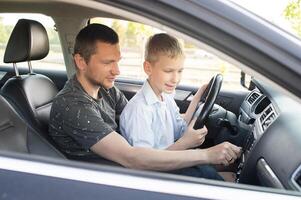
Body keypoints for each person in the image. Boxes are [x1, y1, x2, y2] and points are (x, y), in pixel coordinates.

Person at [49, 23, 241, 173]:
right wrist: (206, 155)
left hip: (129, 169)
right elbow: (132, 158)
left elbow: (146, 120)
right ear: (81, 62)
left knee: (231, 170)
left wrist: (197, 100)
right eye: (108, 63)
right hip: (115, 180)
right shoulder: (73, 105)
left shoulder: (107, 90)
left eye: (118, 61)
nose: (117, 71)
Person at [119, 33, 224, 180]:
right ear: (148, 68)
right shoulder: (139, 110)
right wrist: (185, 143)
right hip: (157, 177)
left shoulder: (165, 97)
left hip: (171, 166)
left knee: (220, 169)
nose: (175, 79)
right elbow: (146, 163)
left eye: (179, 71)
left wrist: (198, 99)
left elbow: (179, 128)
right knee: (211, 176)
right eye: (168, 71)